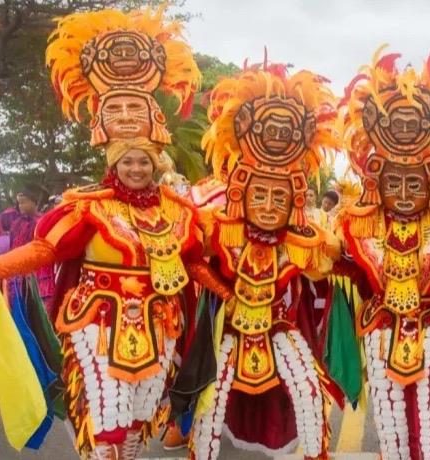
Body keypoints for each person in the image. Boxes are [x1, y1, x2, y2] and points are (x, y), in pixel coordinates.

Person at [0, 7, 231, 459]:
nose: (137, 167)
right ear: (113, 162)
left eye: (144, 160)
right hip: (97, 322)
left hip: (160, 324)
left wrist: (225, 289)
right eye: (128, 160)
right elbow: (47, 248)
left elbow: (194, 261)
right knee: (107, 420)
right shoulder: (89, 206)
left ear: (154, 161)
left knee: (138, 423)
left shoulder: (178, 209)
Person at [174, 60, 341, 460]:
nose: (268, 205)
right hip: (230, 330)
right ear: (241, 196)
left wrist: (323, 238)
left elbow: (329, 262)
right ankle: (201, 452)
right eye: (259, 196)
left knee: (307, 388)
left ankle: (317, 454)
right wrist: (222, 292)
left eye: (279, 197)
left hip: (280, 328)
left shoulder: (301, 240)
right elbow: (189, 259)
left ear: (294, 202)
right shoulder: (220, 229)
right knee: (211, 400)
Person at [333, 47, 430, 459]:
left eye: (415, 184)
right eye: (394, 185)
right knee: (391, 429)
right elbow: (333, 263)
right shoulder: (358, 224)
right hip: (382, 324)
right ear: (376, 186)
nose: (404, 194)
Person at [2, 189, 56, 314]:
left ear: (34, 203)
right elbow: (13, 246)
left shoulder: (42, 222)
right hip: (17, 271)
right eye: (19, 203)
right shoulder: (16, 224)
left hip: (38, 270)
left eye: (24, 202)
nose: (21, 206)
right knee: (18, 306)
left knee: (38, 308)